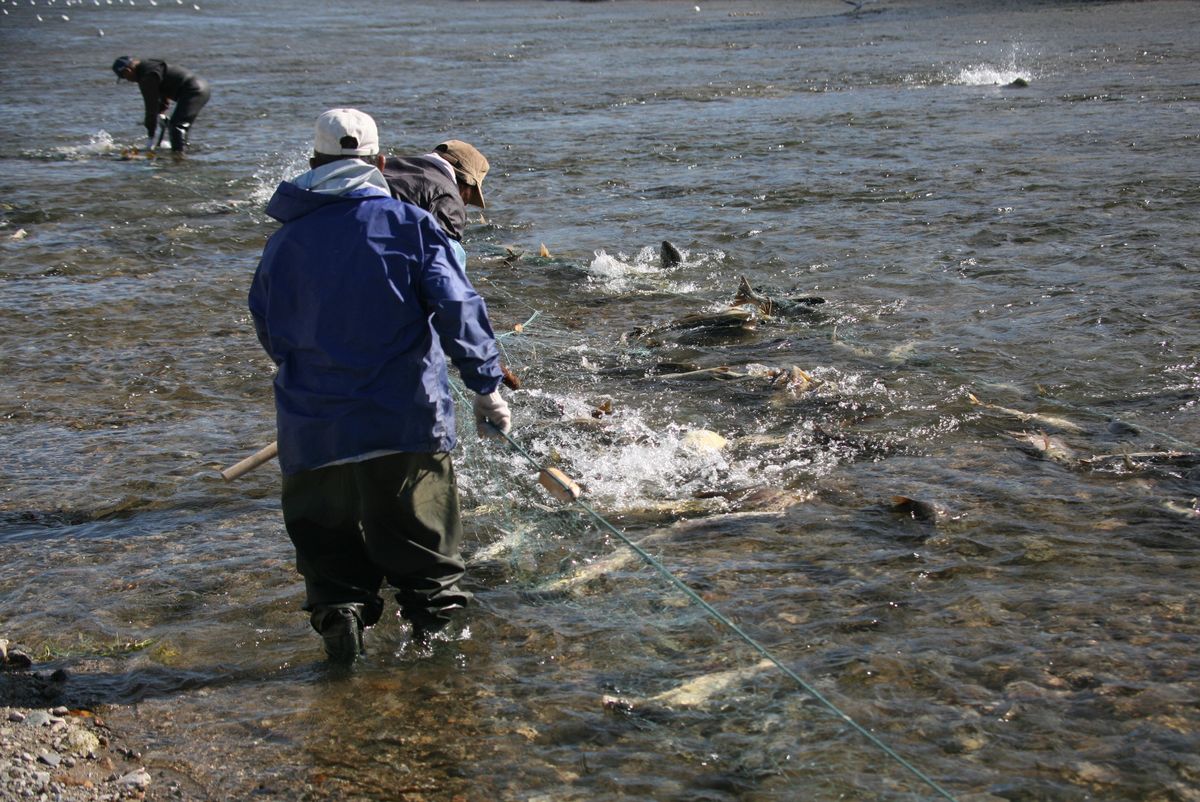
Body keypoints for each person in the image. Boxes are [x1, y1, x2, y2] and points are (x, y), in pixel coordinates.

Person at [248, 108, 512, 663]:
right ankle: (441, 667)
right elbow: (459, 311)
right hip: (406, 419)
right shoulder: (412, 225)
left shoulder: (284, 241)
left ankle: (341, 618)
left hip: (313, 429)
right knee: (427, 559)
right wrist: (486, 388)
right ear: (382, 163)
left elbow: (272, 331)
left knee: (328, 555)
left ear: (314, 163)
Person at [381, 140, 489, 268]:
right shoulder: (448, 196)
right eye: (470, 197)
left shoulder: (386, 166)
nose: (464, 204)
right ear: (466, 183)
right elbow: (442, 264)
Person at [111, 56, 211, 154]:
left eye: (124, 77)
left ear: (128, 71)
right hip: (198, 87)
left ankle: (180, 158)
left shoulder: (147, 75)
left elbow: (151, 105)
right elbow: (163, 90)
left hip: (194, 90)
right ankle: (182, 150)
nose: (128, 80)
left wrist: (150, 130)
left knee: (177, 126)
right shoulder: (149, 67)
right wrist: (161, 112)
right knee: (175, 125)